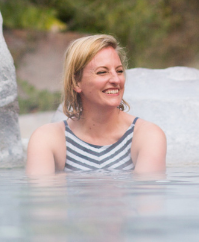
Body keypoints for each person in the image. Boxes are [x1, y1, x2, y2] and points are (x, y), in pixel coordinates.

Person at [26, 34, 166, 175]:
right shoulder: (47, 139)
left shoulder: (146, 136)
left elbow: (148, 195)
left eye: (119, 71)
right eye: (102, 72)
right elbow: (41, 195)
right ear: (76, 82)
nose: (116, 79)